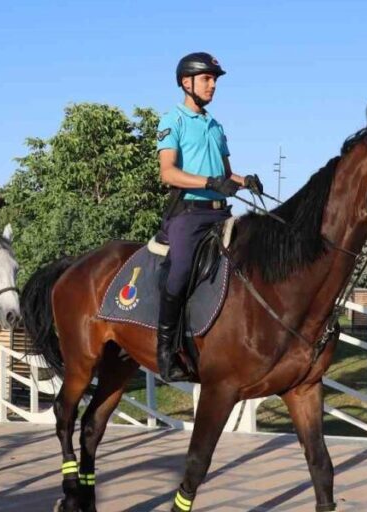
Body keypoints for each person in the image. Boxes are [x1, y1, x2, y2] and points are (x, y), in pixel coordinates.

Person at [155, 52, 262, 381]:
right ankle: (165, 350)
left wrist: (245, 181)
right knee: (181, 270)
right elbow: (168, 173)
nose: (213, 85)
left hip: (222, 214)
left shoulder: (216, 126)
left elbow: (226, 174)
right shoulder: (173, 120)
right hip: (189, 215)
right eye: (207, 78)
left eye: (215, 79)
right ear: (186, 83)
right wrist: (209, 182)